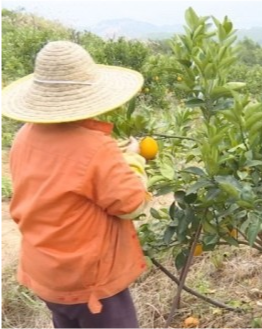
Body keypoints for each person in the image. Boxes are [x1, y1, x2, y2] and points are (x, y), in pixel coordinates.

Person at [1, 40, 151, 329]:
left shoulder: (24, 137)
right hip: (90, 280)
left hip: (46, 274)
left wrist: (111, 162)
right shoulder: (95, 148)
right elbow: (132, 205)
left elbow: (64, 178)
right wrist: (133, 162)